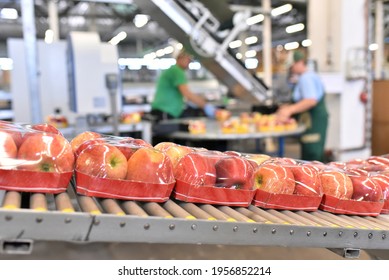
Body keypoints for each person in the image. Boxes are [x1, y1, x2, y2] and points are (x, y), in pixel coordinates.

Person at [276, 51, 328, 162]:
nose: (291, 69)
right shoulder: (306, 77)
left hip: (314, 122)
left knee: (312, 156)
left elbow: (310, 101)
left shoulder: (306, 78)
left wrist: (290, 110)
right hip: (311, 121)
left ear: (300, 62)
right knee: (309, 156)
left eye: (292, 65)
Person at [150, 50, 216, 120]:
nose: (189, 62)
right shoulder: (177, 71)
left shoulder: (173, 70)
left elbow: (186, 95)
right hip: (165, 111)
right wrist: (205, 106)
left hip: (163, 110)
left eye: (190, 60)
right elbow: (187, 93)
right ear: (180, 59)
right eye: (187, 59)